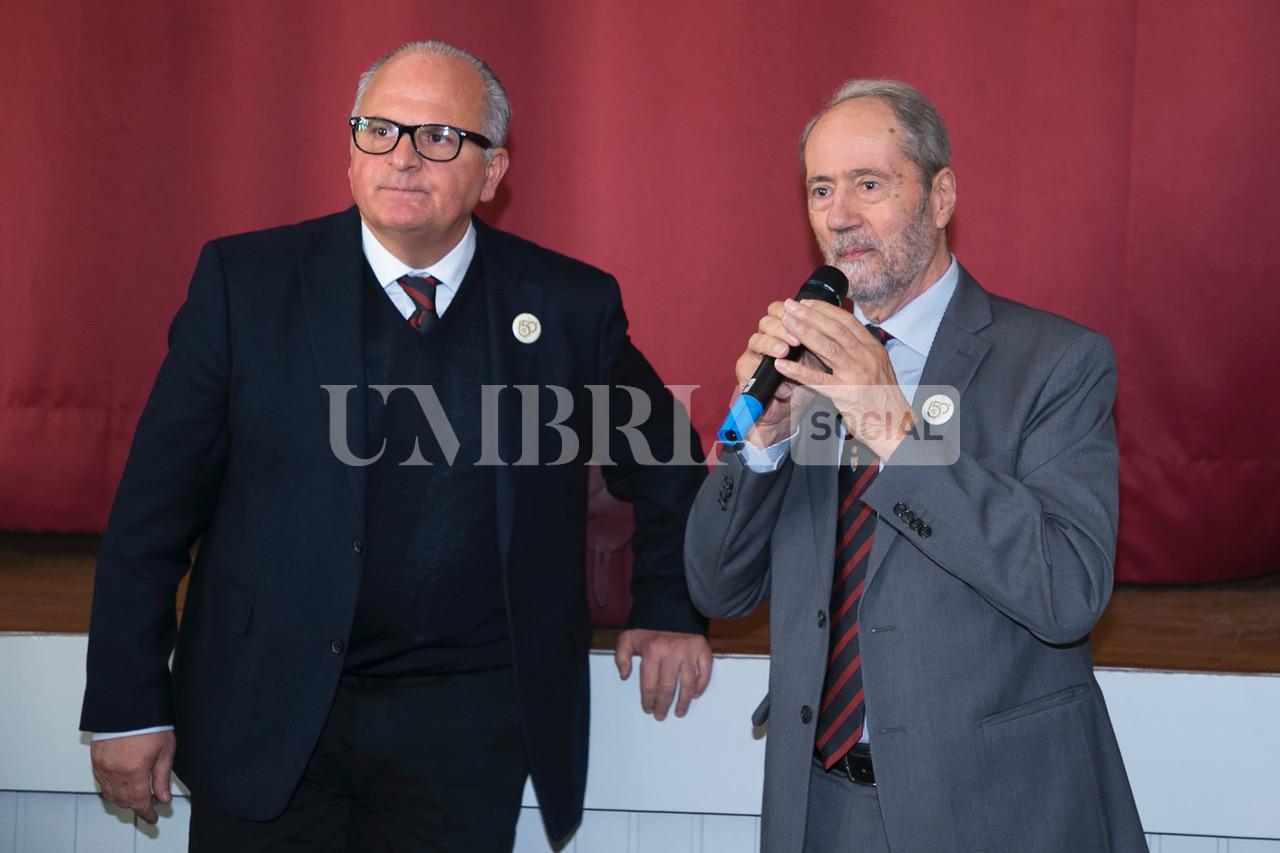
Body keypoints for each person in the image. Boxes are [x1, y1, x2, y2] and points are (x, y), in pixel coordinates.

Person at [81, 39, 712, 852]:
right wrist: (129, 702)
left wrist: (669, 606)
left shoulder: (565, 306)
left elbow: (667, 463)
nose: (404, 157)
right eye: (378, 130)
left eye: (439, 136)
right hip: (264, 711)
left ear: (492, 174)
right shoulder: (247, 285)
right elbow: (152, 510)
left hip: (461, 733)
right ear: (350, 150)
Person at [685, 79, 1145, 853]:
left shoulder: (1058, 362)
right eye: (821, 189)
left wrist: (897, 429)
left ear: (941, 197)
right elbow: (716, 583)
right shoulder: (801, 367)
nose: (839, 216)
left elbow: (1068, 591)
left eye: (870, 184)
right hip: (819, 810)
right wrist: (755, 438)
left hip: (998, 812)